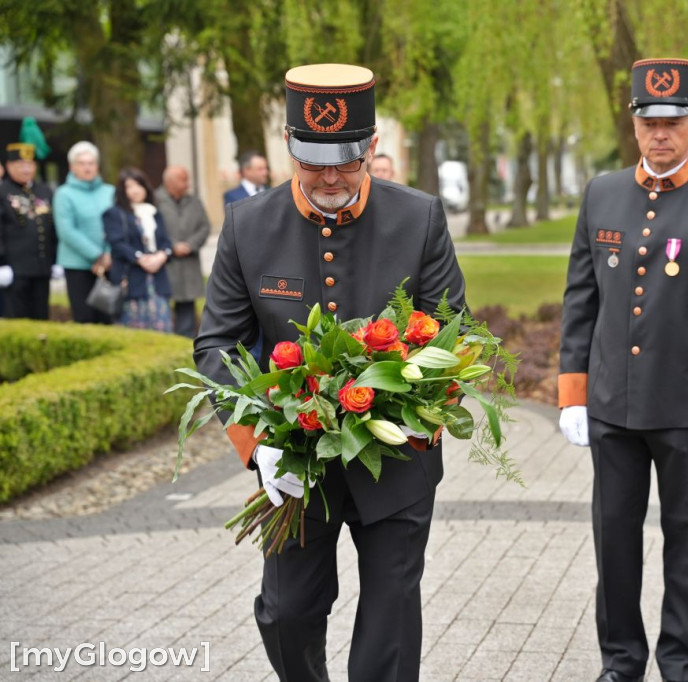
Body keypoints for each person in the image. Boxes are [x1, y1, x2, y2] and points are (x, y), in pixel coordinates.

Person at [194, 63, 467, 681]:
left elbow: (455, 330)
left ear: (371, 147)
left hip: (397, 459)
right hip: (292, 461)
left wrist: (413, 399)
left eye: (345, 160)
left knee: (392, 615)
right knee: (286, 611)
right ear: (288, 146)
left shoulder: (419, 218)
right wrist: (258, 443)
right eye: (313, 161)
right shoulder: (247, 225)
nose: (329, 177)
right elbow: (216, 344)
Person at [558, 58, 688, 682]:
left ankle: (680, 665)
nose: (661, 134)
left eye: (674, 122)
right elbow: (580, 299)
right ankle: (621, 663)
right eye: (650, 121)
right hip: (612, 409)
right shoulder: (602, 193)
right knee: (614, 545)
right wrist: (573, 392)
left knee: (686, 542)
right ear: (635, 123)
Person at [102, 168, 174, 331]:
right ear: (122, 190)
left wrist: (161, 256)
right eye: (129, 186)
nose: (135, 190)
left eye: (139, 185)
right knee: (134, 330)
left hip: (157, 282)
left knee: (162, 331)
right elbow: (117, 242)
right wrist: (140, 258)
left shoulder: (154, 212)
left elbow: (166, 242)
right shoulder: (114, 214)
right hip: (131, 281)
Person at [53, 141, 115, 324]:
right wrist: (97, 255)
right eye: (81, 163)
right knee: (84, 316)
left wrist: (109, 254)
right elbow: (66, 230)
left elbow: (118, 226)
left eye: (91, 163)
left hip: (108, 263)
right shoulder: (63, 194)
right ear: (72, 167)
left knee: (108, 316)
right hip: (77, 265)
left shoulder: (110, 191)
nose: (87, 168)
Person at [0, 139, 58, 319]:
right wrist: (1, 264)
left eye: (29, 164)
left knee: (41, 316)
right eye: (20, 164)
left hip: (42, 267)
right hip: (14, 269)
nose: (26, 169)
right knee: (17, 318)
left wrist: (55, 259)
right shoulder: (3, 192)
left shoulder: (44, 191)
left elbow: (52, 227)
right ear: (9, 166)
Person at [154, 165, 210, 336]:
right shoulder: (155, 200)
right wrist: (172, 246)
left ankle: (185, 340)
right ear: (169, 182)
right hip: (165, 262)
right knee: (162, 302)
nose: (188, 184)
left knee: (187, 304)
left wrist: (190, 245)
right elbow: (152, 228)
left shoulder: (194, 201)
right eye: (183, 179)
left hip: (189, 262)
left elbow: (204, 227)